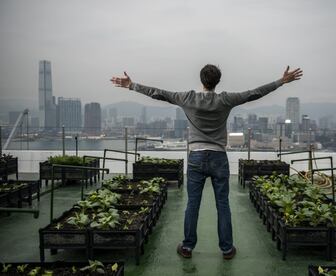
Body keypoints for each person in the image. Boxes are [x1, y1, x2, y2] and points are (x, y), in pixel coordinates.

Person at [111, 64, 303, 260]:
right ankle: (227, 249)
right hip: (219, 157)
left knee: (193, 204)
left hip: (196, 156)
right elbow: (254, 93)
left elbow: (158, 93)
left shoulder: (188, 98)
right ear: (217, 81)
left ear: (201, 80)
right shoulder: (225, 99)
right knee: (223, 204)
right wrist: (282, 81)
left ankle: (187, 247)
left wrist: (131, 85)